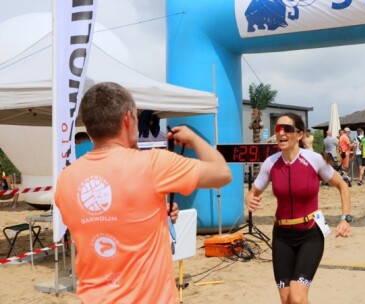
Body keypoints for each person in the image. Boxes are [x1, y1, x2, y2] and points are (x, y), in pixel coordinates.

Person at [54, 82, 232, 303]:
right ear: (128, 119)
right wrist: (194, 139)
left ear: (89, 126)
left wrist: (154, 211)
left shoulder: (66, 179)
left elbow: (102, 223)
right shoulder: (153, 164)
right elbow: (222, 173)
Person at [245, 112, 351, 304]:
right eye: (278, 129)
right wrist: (249, 200)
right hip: (282, 237)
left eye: (287, 129)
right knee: (286, 299)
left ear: (300, 135)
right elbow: (253, 192)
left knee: (297, 296)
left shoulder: (314, 159)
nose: (281, 133)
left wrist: (345, 218)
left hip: (310, 235)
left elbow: (342, 186)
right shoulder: (270, 163)